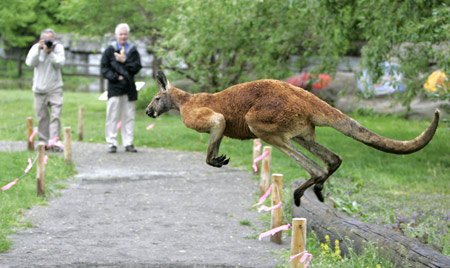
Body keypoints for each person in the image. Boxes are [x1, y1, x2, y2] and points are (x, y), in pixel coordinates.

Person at [101, 23, 142, 153]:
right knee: (112, 116)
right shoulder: (110, 50)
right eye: (120, 34)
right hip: (114, 88)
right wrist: (116, 77)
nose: (123, 36)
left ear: (128, 35)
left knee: (128, 116)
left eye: (125, 34)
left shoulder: (133, 50)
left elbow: (136, 67)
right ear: (116, 35)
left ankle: (128, 143)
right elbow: (104, 68)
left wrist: (125, 61)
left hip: (129, 88)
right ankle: (112, 143)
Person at [25, 28, 65, 152]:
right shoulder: (36, 48)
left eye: (50, 39)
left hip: (55, 88)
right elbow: (30, 63)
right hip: (39, 89)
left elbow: (60, 63)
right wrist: (39, 49)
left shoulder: (58, 48)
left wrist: (50, 53)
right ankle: (43, 141)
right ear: (41, 39)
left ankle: (54, 142)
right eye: (46, 39)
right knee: (42, 117)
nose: (48, 42)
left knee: (55, 116)